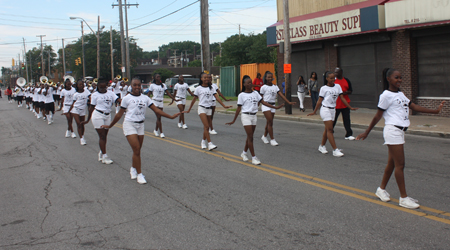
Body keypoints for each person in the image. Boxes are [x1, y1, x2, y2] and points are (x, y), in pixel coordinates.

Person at [357, 68, 445, 209]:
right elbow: (378, 115)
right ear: (388, 79)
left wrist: (435, 111)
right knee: (400, 165)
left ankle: (381, 189)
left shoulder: (400, 94)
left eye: (400, 77)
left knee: (392, 163)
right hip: (393, 130)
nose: (399, 80)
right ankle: (403, 198)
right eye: (396, 77)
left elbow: (413, 106)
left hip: (400, 131)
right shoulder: (385, 95)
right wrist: (367, 132)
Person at [102, 78, 181, 184]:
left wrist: (170, 116)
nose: (137, 87)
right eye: (135, 85)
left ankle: (133, 168)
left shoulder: (145, 98)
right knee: (137, 149)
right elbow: (119, 114)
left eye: (139, 85)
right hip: (129, 124)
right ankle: (139, 174)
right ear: (131, 86)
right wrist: (110, 125)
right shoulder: (126, 98)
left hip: (140, 125)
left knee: (137, 151)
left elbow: (156, 110)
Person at [226, 75, 283, 165]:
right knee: (250, 137)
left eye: (251, 82)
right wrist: (233, 120)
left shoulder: (255, 93)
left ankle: (244, 153)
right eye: (248, 83)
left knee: (250, 136)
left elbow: (263, 102)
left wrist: (275, 107)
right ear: (244, 84)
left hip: (254, 116)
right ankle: (254, 157)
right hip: (246, 116)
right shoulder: (241, 95)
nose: (250, 84)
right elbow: (238, 109)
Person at [307, 71, 358, 157]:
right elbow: (319, 101)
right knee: (330, 130)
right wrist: (314, 111)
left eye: (334, 78)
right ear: (327, 78)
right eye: (331, 78)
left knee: (327, 129)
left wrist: (350, 107)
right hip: (325, 109)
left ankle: (322, 146)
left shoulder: (337, 86)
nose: (333, 79)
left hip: (333, 110)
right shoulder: (324, 88)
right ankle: (335, 150)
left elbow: (342, 98)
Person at [185, 72, 232, 150]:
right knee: (207, 126)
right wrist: (189, 109)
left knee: (206, 127)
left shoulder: (211, 88)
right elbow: (194, 100)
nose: (206, 79)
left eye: (207, 77)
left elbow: (217, 97)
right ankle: (210, 143)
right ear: (201, 79)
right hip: (202, 108)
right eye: (204, 77)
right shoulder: (198, 88)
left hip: (209, 109)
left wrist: (224, 105)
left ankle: (203, 141)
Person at [83, 79, 119, 164]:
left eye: (104, 87)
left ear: (106, 86)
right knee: (102, 136)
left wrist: (126, 102)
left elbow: (118, 100)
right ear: (97, 86)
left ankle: (101, 152)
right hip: (98, 115)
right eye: (100, 87)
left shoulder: (111, 93)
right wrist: (88, 119)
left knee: (104, 136)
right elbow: (91, 107)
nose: (102, 89)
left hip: (107, 115)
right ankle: (105, 156)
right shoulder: (95, 95)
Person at [260, 71, 296, 146]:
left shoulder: (275, 86)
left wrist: (288, 102)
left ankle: (264, 136)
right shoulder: (263, 87)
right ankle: (272, 139)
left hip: (273, 106)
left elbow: (281, 95)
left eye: (271, 77)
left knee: (269, 122)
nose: (270, 78)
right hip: (266, 105)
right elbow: (260, 98)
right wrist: (255, 107)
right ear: (266, 78)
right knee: (270, 122)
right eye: (268, 77)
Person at [147, 73, 177, 138]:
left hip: (161, 102)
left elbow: (168, 93)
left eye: (159, 77)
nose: (159, 78)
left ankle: (155, 130)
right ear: (155, 78)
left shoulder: (163, 85)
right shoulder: (152, 85)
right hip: (155, 102)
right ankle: (161, 133)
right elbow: (149, 94)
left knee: (159, 117)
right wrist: (146, 102)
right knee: (159, 117)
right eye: (157, 77)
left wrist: (174, 99)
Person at [333, 67, 355, 140]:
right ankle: (329, 132)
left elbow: (350, 90)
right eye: (335, 72)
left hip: (345, 104)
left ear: (341, 72)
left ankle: (348, 134)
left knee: (347, 119)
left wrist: (345, 92)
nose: (335, 74)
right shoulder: (333, 81)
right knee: (333, 119)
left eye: (337, 72)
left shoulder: (346, 80)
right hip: (336, 104)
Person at [68, 79, 91, 145]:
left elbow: (90, 97)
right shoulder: (75, 94)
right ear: (77, 85)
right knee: (79, 123)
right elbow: (73, 103)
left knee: (82, 124)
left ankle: (82, 135)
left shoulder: (86, 92)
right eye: (80, 84)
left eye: (82, 84)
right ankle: (81, 138)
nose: (81, 86)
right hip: (76, 109)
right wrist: (69, 111)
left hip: (83, 110)